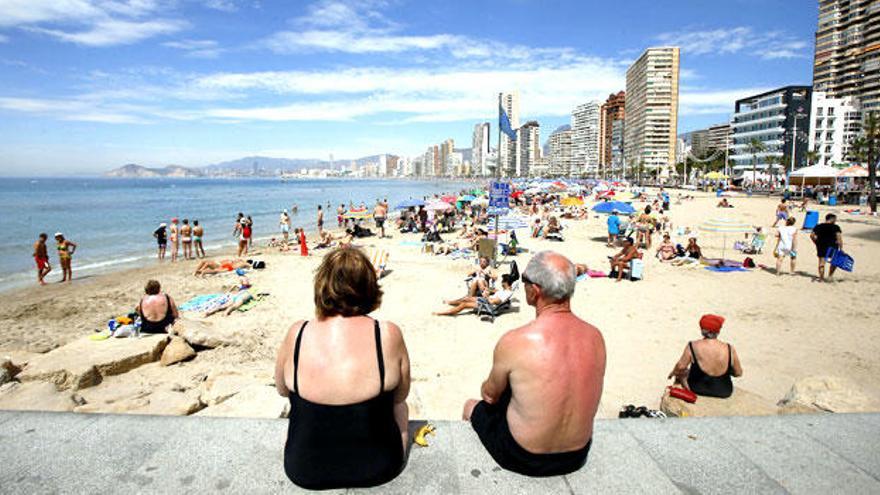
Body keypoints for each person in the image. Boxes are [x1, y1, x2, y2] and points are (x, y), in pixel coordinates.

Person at [275, 248, 410, 489]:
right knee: (400, 407)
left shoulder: (298, 332)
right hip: (380, 467)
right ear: (370, 287)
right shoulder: (387, 334)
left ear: (322, 285)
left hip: (304, 469)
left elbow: (282, 390)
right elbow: (401, 395)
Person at [462, 251, 605, 477]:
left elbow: (490, 396)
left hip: (524, 456)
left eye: (524, 280)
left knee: (472, 406)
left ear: (535, 291)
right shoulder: (595, 337)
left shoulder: (516, 340)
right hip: (577, 454)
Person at [667, 314, 742, 398]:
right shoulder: (729, 348)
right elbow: (738, 373)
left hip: (698, 389)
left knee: (682, 373)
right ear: (718, 331)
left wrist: (673, 373)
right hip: (724, 391)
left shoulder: (693, 345)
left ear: (702, 330)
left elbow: (680, 366)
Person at [435, 275, 514, 316]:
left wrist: (486, 296)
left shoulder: (506, 293)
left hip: (487, 304)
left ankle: (443, 313)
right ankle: (450, 302)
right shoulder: (506, 290)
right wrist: (489, 290)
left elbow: (495, 301)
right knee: (467, 298)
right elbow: (497, 292)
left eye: (502, 281)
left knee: (464, 305)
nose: (501, 283)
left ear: (505, 283)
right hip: (486, 300)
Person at [811, 213, 843, 282]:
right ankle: (830, 276)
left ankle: (821, 278)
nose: (835, 220)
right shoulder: (836, 227)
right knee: (834, 262)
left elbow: (812, 235)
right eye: (835, 219)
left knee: (821, 263)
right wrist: (841, 248)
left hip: (821, 246)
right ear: (832, 219)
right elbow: (839, 238)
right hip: (833, 246)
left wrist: (815, 242)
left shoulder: (819, 226)